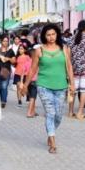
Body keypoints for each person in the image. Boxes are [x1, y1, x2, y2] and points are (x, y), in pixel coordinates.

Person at [21, 24, 75, 154]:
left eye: (53, 34)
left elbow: (69, 67)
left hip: (61, 86)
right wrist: (26, 84)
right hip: (44, 86)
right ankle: (53, 142)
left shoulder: (65, 49)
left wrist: (72, 83)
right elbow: (33, 69)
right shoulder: (39, 50)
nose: (51, 37)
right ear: (44, 36)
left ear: (57, 35)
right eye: (48, 35)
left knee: (58, 116)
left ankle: (50, 132)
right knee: (50, 113)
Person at [66, 20, 85, 120]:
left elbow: (68, 56)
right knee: (84, 91)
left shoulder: (70, 39)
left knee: (72, 91)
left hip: (73, 69)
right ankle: (80, 113)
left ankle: (70, 112)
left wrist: (68, 68)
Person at [0, 34, 16, 108]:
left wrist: (8, 59)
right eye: (4, 41)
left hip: (6, 70)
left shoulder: (11, 51)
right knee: (0, 87)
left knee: (4, 86)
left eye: (7, 41)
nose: (5, 42)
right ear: (1, 41)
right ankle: (3, 98)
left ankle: (3, 101)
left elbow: (14, 61)